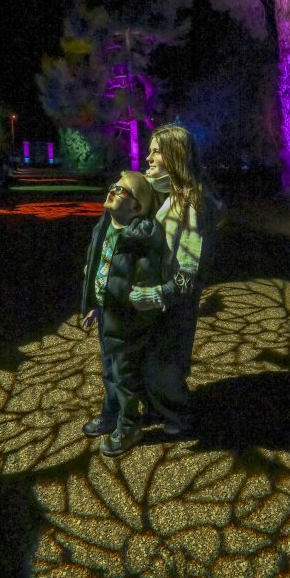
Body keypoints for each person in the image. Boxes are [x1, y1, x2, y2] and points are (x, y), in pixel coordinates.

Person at [129, 124, 219, 435]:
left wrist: (152, 296)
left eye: (156, 151)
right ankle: (159, 409)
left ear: (175, 156)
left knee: (162, 364)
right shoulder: (173, 199)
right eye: (150, 149)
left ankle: (179, 418)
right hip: (162, 302)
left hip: (172, 306)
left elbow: (187, 274)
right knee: (150, 360)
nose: (148, 156)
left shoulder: (190, 207)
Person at [81, 170, 165, 457]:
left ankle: (129, 426)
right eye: (113, 186)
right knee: (109, 369)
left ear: (137, 206)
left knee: (125, 375)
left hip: (127, 323)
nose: (112, 190)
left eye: (122, 190)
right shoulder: (105, 227)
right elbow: (97, 269)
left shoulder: (140, 241)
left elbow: (144, 286)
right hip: (107, 314)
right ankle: (110, 412)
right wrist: (94, 304)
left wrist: (135, 320)